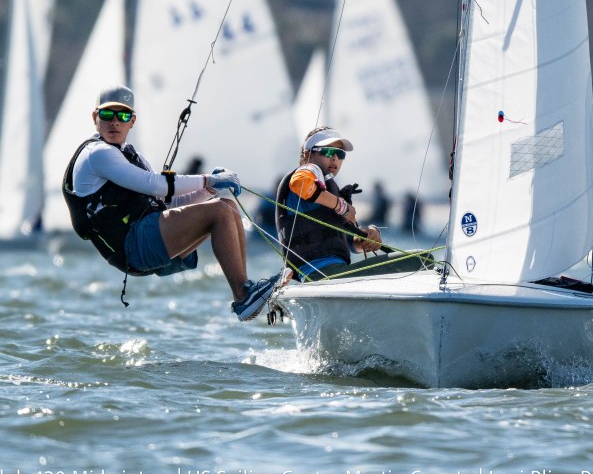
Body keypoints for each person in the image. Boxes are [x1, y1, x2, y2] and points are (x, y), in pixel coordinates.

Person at [62, 85, 279, 321]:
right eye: (107, 114)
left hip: (146, 236)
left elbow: (168, 203)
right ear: (95, 117)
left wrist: (208, 189)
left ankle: (246, 289)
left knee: (227, 205)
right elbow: (156, 185)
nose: (115, 121)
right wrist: (209, 179)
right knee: (220, 212)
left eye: (122, 115)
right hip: (131, 246)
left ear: (132, 121)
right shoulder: (97, 153)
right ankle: (243, 295)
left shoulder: (132, 156)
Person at [276, 126, 382, 279]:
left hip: (332, 272)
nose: (335, 158)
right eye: (328, 152)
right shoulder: (310, 169)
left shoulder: (327, 193)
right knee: (415, 263)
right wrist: (343, 207)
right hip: (319, 273)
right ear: (308, 154)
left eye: (340, 154)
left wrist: (369, 237)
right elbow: (300, 184)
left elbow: (350, 243)